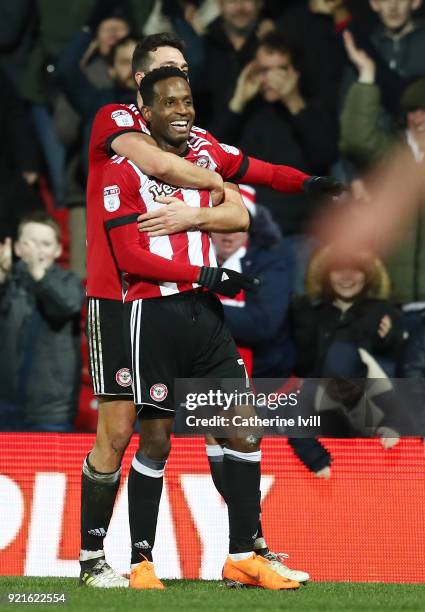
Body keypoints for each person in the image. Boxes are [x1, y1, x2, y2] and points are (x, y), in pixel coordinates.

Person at [80, 31, 339, 588]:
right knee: (122, 431)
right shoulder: (115, 124)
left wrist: (205, 210)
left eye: (184, 74)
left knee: (226, 424)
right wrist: (214, 189)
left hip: (185, 304)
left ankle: (247, 549)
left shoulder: (196, 140)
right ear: (140, 81)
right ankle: (94, 557)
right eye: (165, 71)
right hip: (118, 301)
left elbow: (246, 203)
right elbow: (164, 169)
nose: (179, 82)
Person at [340, 30, 425, 311]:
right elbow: (356, 138)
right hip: (393, 299)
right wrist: (366, 76)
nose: (420, 118)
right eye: (413, 110)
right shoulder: (391, 152)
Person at [292, 246, 406, 445]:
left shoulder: (383, 311)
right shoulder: (313, 313)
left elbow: (397, 368)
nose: (346, 277)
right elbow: (304, 367)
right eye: (338, 269)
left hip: (372, 410)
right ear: (327, 275)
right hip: (322, 411)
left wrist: (389, 339)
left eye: (355, 270)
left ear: (367, 275)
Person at [0, 212, 84, 432]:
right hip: (5, 405)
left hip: (51, 411)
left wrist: (38, 273)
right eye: (31, 243)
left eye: (45, 244)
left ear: (57, 250)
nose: (38, 251)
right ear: (17, 248)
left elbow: (65, 306)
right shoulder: (8, 283)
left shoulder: (69, 282)